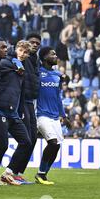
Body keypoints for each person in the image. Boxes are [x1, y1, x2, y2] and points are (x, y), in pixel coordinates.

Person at [0, 40, 32, 185]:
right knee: (2, 146)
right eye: (21, 50)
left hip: (13, 111)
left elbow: (20, 91)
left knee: (26, 142)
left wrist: (20, 110)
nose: (23, 54)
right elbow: (2, 65)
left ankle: (8, 172)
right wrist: (15, 67)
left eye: (26, 52)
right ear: (16, 49)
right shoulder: (7, 61)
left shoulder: (21, 67)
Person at [35, 47, 71, 184]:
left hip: (55, 116)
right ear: (44, 57)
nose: (56, 56)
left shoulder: (57, 75)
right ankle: (40, 174)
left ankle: (43, 174)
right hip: (41, 115)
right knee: (52, 142)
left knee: (57, 146)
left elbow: (57, 97)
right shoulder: (38, 73)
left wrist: (64, 115)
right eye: (53, 54)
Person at [13, 33, 41, 183]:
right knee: (27, 138)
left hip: (31, 101)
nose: (35, 45)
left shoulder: (36, 60)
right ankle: (12, 170)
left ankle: (17, 171)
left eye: (37, 43)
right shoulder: (20, 58)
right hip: (22, 101)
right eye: (32, 42)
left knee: (33, 138)